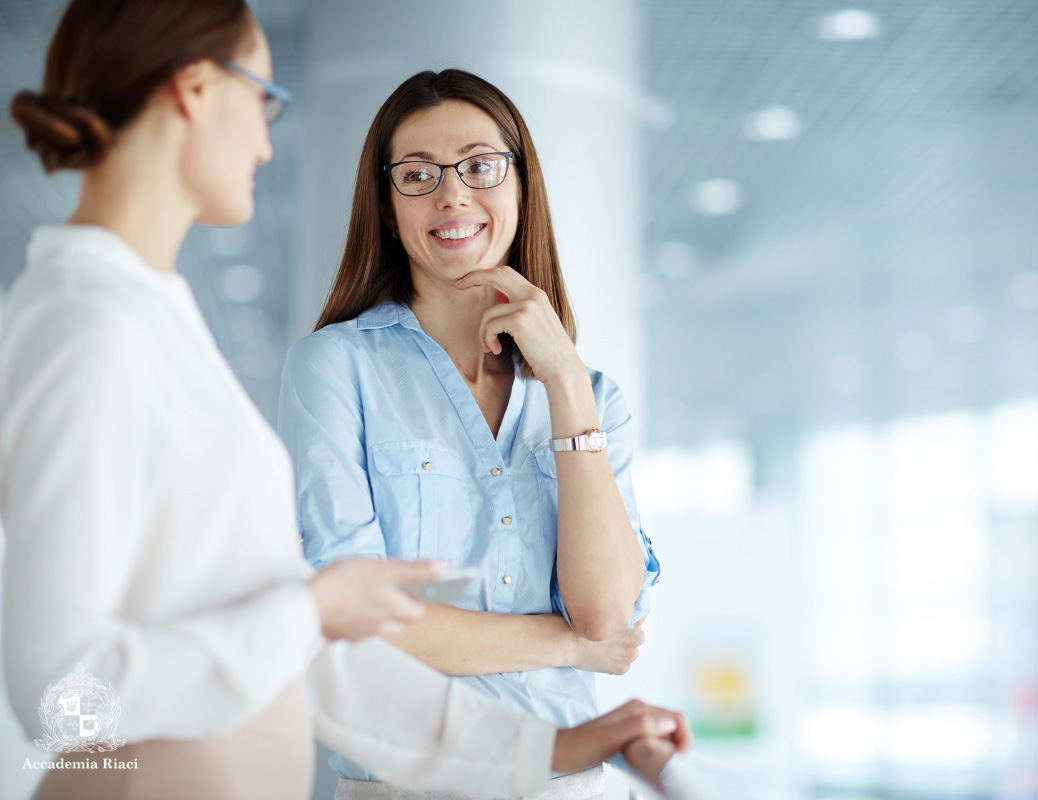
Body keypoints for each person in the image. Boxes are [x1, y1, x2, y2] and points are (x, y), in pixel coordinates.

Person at [0, 3, 688, 800]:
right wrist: (311, 613)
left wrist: (550, 748)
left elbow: (321, 659)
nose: (266, 138)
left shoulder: (154, 318)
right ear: (194, 89)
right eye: (261, 96)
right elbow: (60, 699)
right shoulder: (85, 320)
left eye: (479, 167)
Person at [278, 69, 661, 800]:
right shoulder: (335, 368)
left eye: (480, 167)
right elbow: (356, 623)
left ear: (521, 186)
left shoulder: (592, 397)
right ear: (388, 208)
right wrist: (568, 643)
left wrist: (567, 384)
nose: (452, 195)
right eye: (417, 174)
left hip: (569, 784)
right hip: (409, 784)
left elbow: (609, 611)